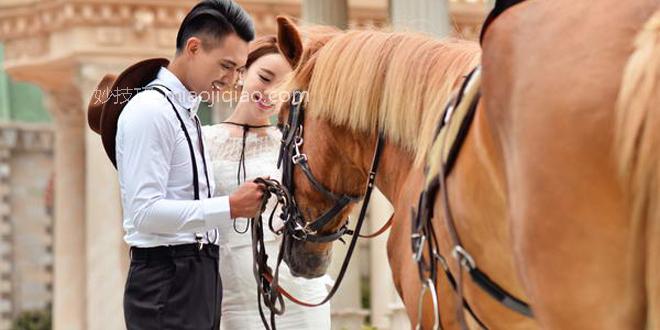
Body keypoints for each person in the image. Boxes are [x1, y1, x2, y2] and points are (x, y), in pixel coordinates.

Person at [93, 1, 266, 329]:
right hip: (167, 280)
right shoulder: (149, 111)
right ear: (194, 48)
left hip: (199, 277)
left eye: (239, 70)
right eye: (226, 66)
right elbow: (143, 213)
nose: (232, 80)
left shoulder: (187, 114)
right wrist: (229, 206)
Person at [203, 35, 333, 330]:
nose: (270, 92)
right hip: (232, 298)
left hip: (299, 297)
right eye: (264, 77)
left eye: (283, 87)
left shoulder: (295, 147)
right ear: (242, 73)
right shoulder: (203, 141)